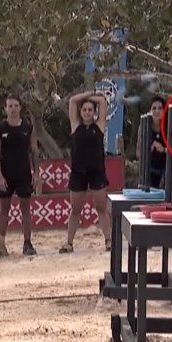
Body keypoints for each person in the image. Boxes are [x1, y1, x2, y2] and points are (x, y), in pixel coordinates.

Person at [0, 95, 41, 257]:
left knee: (25, 209)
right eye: (10, 106)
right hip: (6, 174)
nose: (13, 109)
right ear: (5, 109)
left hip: (23, 173)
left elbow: (34, 151)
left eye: (16, 106)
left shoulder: (28, 128)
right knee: (4, 210)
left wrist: (36, 173)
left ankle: (27, 243)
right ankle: (0, 243)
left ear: (20, 108)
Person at [60, 91, 112, 253]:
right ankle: (69, 243)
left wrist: (92, 98)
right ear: (80, 112)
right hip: (78, 173)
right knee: (75, 210)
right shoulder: (75, 125)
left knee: (101, 208)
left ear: (94, 112)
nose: (87, 112)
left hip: (97, 172)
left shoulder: (99, 125)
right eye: (84, 110)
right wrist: (89, 95)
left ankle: (108, 240)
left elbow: (102, 102)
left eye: (90, 110)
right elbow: (72, 100)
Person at [139, 97, 167, 189]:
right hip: (150, 169)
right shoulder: (144, 127)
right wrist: (147, 149)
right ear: (150, 111)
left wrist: (163, 150)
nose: (157, 111)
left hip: (167, 168)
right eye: (154, 108)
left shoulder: (169, 126)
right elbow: (138, 153)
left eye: (160, 108)